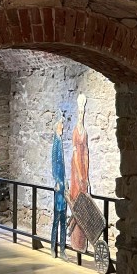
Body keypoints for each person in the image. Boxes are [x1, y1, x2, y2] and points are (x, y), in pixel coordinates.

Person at [68, 94, 90, 253]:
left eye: (83, 112)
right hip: (76, 170)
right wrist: (80, 175)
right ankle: (74, 238)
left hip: (82, 167)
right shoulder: (76, 131)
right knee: (76, 200)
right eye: (80, 112)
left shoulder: (85, 132)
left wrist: (86, 174)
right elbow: (76, 154)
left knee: (84, 201)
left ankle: (82, 241)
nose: (81, 115)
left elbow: (86, 152)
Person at [51, 116, 68, 259]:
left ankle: (62, 249)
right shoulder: (56, 142)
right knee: (57, 218)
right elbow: (54, 163)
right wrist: (57, 180)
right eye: (61, 125)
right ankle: (53, 248)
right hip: (59, 185)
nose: (63, 127)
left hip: (63, 183)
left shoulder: (60, 141)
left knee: (63, 220)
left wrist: (65, 181)